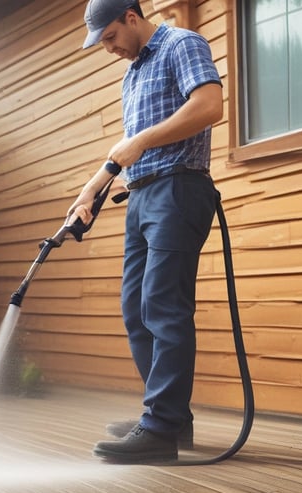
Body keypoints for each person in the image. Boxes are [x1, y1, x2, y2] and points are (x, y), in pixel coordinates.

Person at [67, 0, 223, 463]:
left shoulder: (182, 43)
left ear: (131, 18)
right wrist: (90, 191)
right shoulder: (132, 74)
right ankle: (172, 418)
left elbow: (208, 105)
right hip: (140, 196)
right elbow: (125, 149)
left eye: (111, 37)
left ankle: (159, 429)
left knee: (162, 304)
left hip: (178, 189)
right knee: (136, 309)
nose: (108, 48)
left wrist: (142, 140)